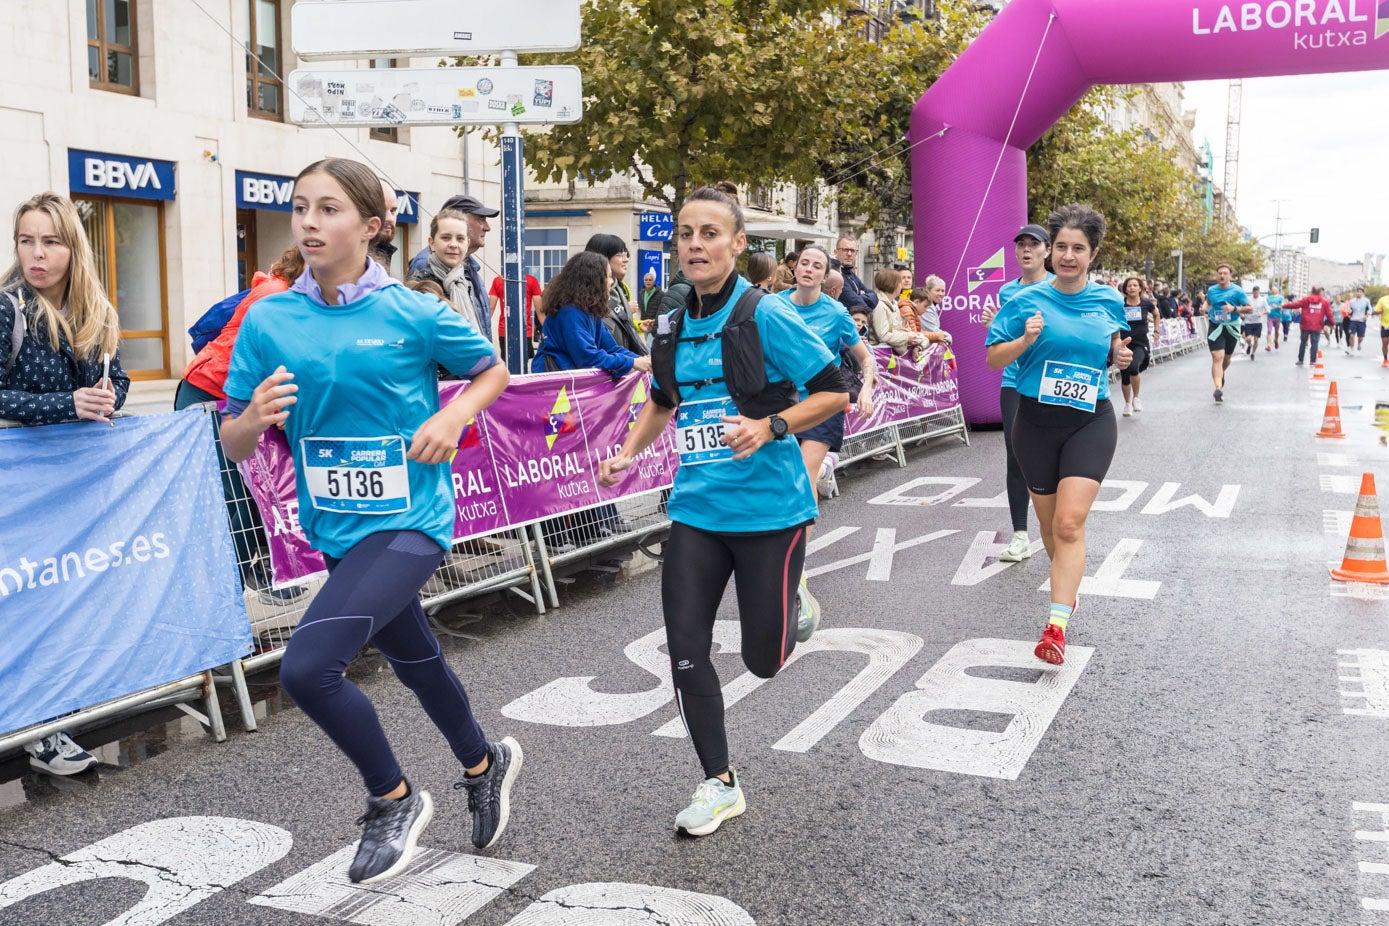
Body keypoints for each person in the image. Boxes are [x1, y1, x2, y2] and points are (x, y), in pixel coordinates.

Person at [220, 158, 520, 885]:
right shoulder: (267, 319)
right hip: (337, 529)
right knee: (417, 662)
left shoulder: (411, 312)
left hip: (411, 521)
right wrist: (252, 418)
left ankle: (392, 797)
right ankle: (484, 764)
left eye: (329, 209)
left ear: (372, 226)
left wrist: (452, 415)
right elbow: (232, 440)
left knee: (307, 669)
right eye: (301, 207)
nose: (309, 222)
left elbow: (492, 371)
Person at [598, 183, 848, 837]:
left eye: (709, 233)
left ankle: (795, 600)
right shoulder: (670, 322)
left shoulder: (764, 315)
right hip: (698, 510)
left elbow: (833, 392)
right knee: (685, 649)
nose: (695, 244)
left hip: (771, 512)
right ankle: (719, 782)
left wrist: (770, 426)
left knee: (763, 659)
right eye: (686, 233)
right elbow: (662, 400)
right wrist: (626, 454)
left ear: (737, 245)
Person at [1, 191, 128, 776]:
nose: (37, 253)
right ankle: (42, 732)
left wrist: (107, 396)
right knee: (30, 607)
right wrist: (65, 404)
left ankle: (55, 717)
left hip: (74, 489)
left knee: (61, 604)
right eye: (26, 240)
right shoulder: (8, 309)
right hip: (19, 493)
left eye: (50, 241)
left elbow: (116, 379)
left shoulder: (94, 312)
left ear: (73, 248)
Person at [985, 204, 1131, 666]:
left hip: (1090, 421)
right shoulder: (1023, 301)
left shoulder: (1108, 300)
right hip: (1035, 423)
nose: (1069, 256)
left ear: (1092, 254)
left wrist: (1122, 357)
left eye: (1078, 248)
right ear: (1051, 251)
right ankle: (1067, 590)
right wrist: (1024, 341)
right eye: (1062, 247)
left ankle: (1055, 627)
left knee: (1069, 523)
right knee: (1050, 529)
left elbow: (1119, 346)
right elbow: (993, 359)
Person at [178, 246, 310, 604]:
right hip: (208, 394)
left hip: (236, 397)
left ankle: (249, 574)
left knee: (252, 492)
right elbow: (265, 360)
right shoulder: (275, 297)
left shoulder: (293, 296)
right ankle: (223, 593)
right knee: (241, 493)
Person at [776, 244, 876, 633]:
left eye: (817, 265)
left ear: (825, 276)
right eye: (804, 262)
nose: (809, 269)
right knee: (784, 482)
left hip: (824, 402)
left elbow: (865, 357)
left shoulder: (835, 313)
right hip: (784, 403)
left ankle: (797, 572)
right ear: (796, 268)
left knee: (803, 478)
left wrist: (865, 389)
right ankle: (779, 556)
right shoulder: (774, 307)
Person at [980, 224, 1053, 564]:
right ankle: (1021, 535)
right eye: (1021, 244)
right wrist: (995, 326)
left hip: (1049, 381)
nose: (1026, 250)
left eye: (1033, 244)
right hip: (1014, 379)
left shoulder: (1058, 287)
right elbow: (1004, 339)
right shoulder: (1007, 291)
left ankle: (1056, 525)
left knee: (1052, 456)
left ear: (1046, 250)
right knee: (1016, 454)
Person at [408, 194, 497, 338]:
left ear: (466, 242)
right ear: (432, 243)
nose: (487, 227)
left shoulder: (466, 272)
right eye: (481, 219)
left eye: (460, 238)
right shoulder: (424, 265)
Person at [584, 234, 648, 357]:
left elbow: (623, 325)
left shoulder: (621, 289)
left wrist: (638, 325)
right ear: (600, 258)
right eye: (619, 255)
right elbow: (589, 352)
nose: (626, 259)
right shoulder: (584, 298)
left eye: (626, 254)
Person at [1203, 264, 1249, 403]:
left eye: (1225, 273)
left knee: (1227, 358)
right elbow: (1209, 303)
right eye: (1220, 273)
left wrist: (1234, 308)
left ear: (1230, 276)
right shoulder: (1212, 290)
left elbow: (1250, 309)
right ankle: (1218, 388)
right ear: (1217, 275)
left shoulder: (1238, 291)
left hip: (1231, 327)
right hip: (1216, 326)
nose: (1222, 275)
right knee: (1217, 357)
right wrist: (1204, 308)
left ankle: (1220, 373)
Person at [1117, 276, 1158, 416]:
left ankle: (1136, 398)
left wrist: (1156, 331)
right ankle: (1127, 404)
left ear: (1140, 288)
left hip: (1140, 342)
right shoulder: (1120, 304)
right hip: (1124, 342)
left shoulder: (1146, 303)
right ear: (1125, 289)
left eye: (1135, 285)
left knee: (1134, 367)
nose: (1132, 288)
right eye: (1129, 286)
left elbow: (1156, 314)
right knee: (1125, 375)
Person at [870, 268, 929, 354]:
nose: (901, 286)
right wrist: (907, 337)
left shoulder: (894, 304)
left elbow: (896, 329)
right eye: (900, 282)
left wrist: (906, 331)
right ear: (893, 284)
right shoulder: (879, 306)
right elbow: (883, 336)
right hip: (880, 355)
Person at [487, 272, 542, 360]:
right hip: (518, 330)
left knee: (508, 362)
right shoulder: (531, 280)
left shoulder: (498, 280)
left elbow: (490, 308)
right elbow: (540, 311)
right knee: (522, 362)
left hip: (509, 330)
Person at [1284, 286, 1333, 366]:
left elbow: (1295, 305)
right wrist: (1333, 323)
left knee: (1303, 342)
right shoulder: (1325, 301)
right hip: (1317, 325)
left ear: (1312, 291)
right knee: (1315, 343)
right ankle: (1312, 361)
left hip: (1305, 324)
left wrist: (1284, 306)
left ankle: (1300, 360)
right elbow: (1329, 313)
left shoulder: (1306, 299)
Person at [833, 236, 874, 310]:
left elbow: (873, 295)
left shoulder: (850, 273)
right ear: (836, 252)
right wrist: (861, 297)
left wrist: (860, 297)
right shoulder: (835, 273)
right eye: (845, 250)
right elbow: (856, 302)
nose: (849, 254)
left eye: (852, 251)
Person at [1242, 285, 1267, 360]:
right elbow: (1242, 307)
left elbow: (1268, 310)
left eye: (1257, 291)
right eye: (1254, 291)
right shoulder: (1248, 299)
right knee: (1248, 339)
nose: (1255, 292)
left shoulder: (1263, 300)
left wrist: (1262, 313)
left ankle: (1252, 353)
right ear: (1252, 291)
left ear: (1259, 292)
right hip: (1248, 322)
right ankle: (1249, 345)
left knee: (1256, 339)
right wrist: (1243, 314)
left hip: (1258, 322)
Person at [1348, 288, 1371, 355]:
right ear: (1356, 293)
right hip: (1353, 320)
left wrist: (1366, 315)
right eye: (1357, 292)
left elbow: (1370, 309)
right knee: (1351, 336)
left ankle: (1359, 344)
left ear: (1362, 293)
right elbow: (1349, 309)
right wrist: (1349, 311)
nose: (1359, 293)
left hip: (1361, 321)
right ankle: (1352, 349)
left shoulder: (1366, 301)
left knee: (1360, 338)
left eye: (1360, 292)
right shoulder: (1351, 301)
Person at [1377, 289, 1389, 367]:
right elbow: (1376, 311)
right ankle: (1385, 359)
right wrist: (1381, 310)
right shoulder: (1383, 299)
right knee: (1385, 343)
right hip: (1385, 325)